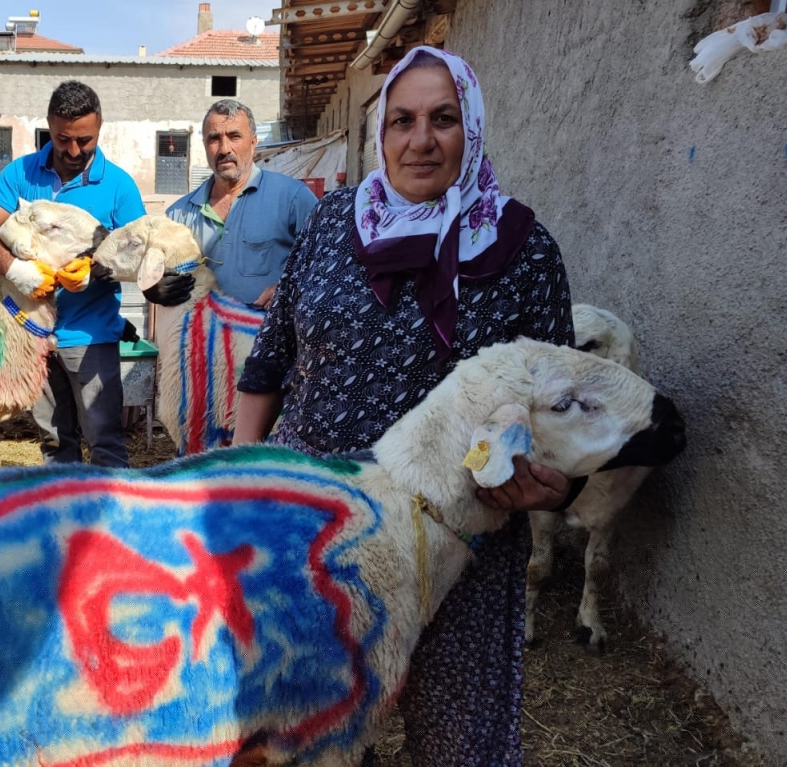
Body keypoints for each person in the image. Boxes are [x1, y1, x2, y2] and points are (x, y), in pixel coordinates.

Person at [232, 47, 583, 765]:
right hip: (319, 535)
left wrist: (561, 485)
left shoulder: (523, 252)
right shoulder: (333, 226)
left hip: (459, 549)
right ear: (382, 133)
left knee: (457, 740)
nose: (420, 139)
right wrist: (244, 477)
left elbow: (555, 414)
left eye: (444, 119)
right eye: (403, 120)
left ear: (473, 129)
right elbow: (267, 364)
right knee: (306, 731)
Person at [0, 80, 145, 468]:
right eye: (63, 139)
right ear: (49, 126)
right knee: (52, 440)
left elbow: (138, 254)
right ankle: (65, 520)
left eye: (85, 140)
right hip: (32, 334)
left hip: (90, 334)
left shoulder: (118, 187)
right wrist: (15, 270)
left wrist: (95, 270)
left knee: (103, 438)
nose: (74, 150)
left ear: (99, 130)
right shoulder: (21, 173)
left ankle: (110, 519)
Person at [145, 99, 318, 309]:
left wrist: (291, 288)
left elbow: (328, 265)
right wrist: (153, 287)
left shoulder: (293, 198)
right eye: (214, 139)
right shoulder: (179, 215)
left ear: (253, 143)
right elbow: (151, 270)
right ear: (205, 146)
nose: (224, 148)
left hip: (268, 337)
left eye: (234, 136)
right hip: (202, 339)